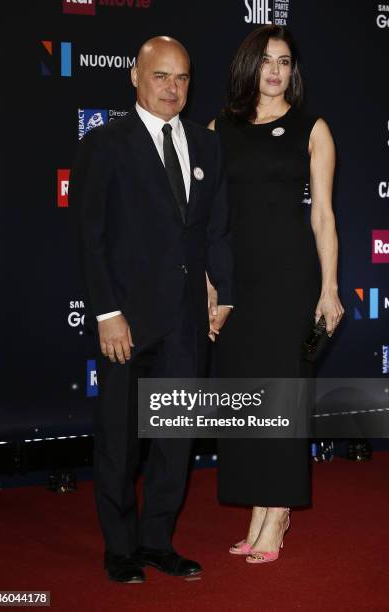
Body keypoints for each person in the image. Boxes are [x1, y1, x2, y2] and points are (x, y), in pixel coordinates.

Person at [69, 36, 234, 583]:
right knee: (119, 438)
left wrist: (220, 292)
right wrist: (106, 312)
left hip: (188, 321)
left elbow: (214, 232)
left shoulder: (207, 146)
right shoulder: (105, 143)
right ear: (135, 78)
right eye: (161, 76)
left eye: (182, 78)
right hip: (128, 323)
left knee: (173, 440)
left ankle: (158, 541)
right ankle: (120, 550)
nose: (173, 88)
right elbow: (89, 236)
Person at [207, 25, 344, 564]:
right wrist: (214, 287)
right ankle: (258, 507)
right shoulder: (221, 128)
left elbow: (324, 215)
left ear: (294, 71)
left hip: (290, 281)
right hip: (239, 282)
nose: (275, 70)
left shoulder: (314, 128)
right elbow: (211, 220)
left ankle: (278, 510)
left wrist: (330, 289)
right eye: (266, 60)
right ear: (249, 65)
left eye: (285, 62)